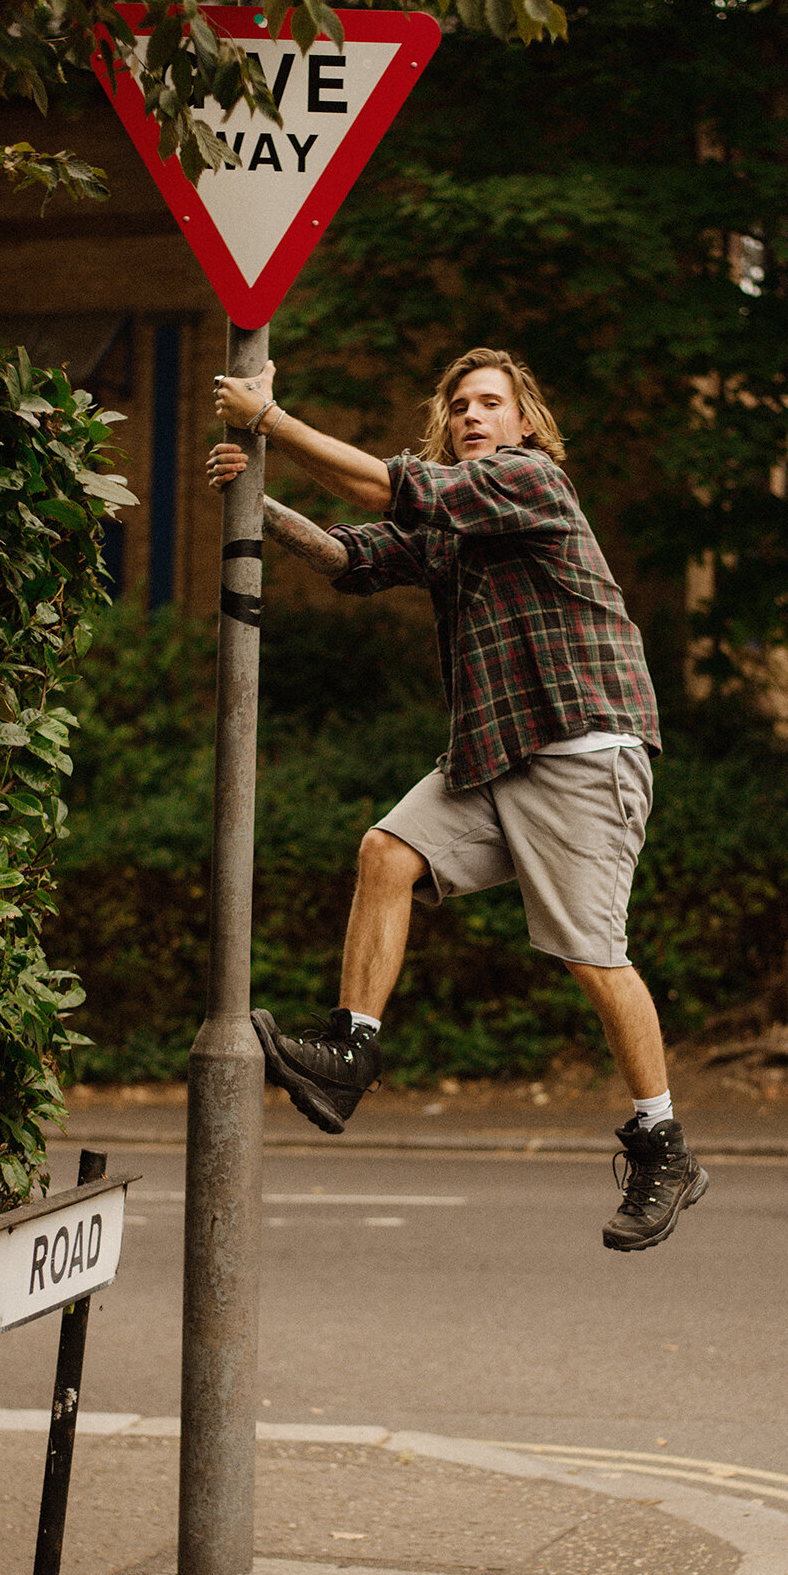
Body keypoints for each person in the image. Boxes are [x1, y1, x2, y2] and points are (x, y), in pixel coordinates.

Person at [205, 347, 707, 1250]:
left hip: (581, 743)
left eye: (491, 403)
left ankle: (664, 1141)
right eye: (460, 406)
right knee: (385, 853)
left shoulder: (527, 481)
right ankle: (350, 1050)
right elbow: (350, 556)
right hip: (496, 752)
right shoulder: (449, 518)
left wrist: (268, 423)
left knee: (593, 956)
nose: (475, 416)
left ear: (522, 423)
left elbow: (382, 492)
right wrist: (258, 499)